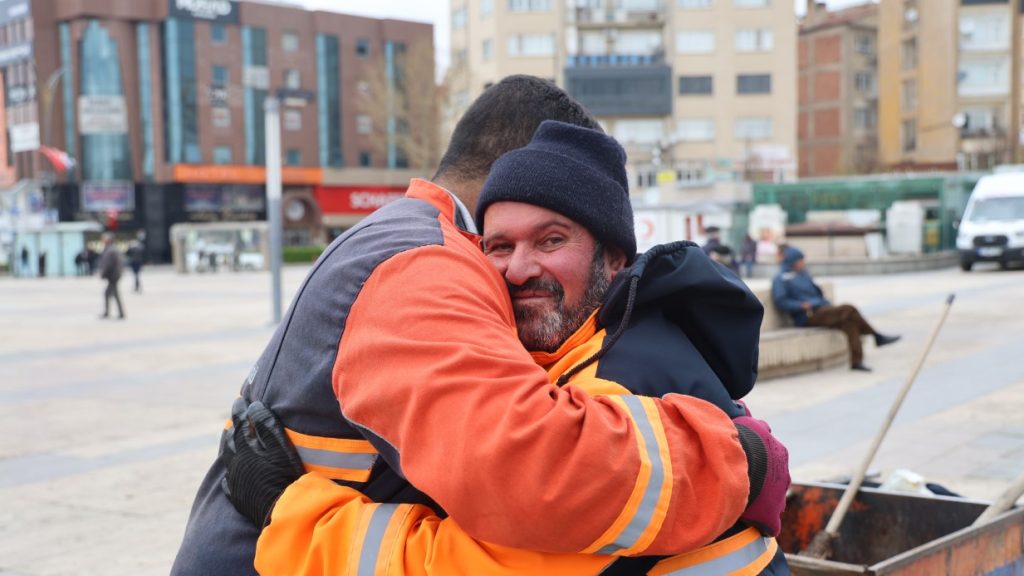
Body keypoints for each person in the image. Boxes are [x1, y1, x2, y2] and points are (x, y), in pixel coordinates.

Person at [172, 76, 788, 575]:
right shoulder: (424, 262)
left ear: (615, 257)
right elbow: (532, 480)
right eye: (499, 245)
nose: (517, 268)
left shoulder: (618, 364)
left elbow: (538, 483)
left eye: (552, 239)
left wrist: (740, 463)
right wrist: (744, 464)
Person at [772, 245, 900, 371]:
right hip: (807, 315)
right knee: (848, 309)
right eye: (799, 260)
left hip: (822, 309)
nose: (802, 263)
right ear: (792, 261)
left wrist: (824, 303)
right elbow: (781, 302)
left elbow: (819, 294)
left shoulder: (804, 275)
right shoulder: (781, 278)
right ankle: (876, 336)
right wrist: (801, 305)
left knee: (849, 323)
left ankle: (857, 361)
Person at [98, 233, 124, 320]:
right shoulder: (111, 249)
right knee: (112, 294)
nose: (102, 240)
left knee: (110, 294)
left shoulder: (111, 250)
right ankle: (119, 313)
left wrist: (103, 273)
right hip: (113, 275)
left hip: (113, 276)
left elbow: (108, 264)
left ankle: (115, 313)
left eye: (104, 238)